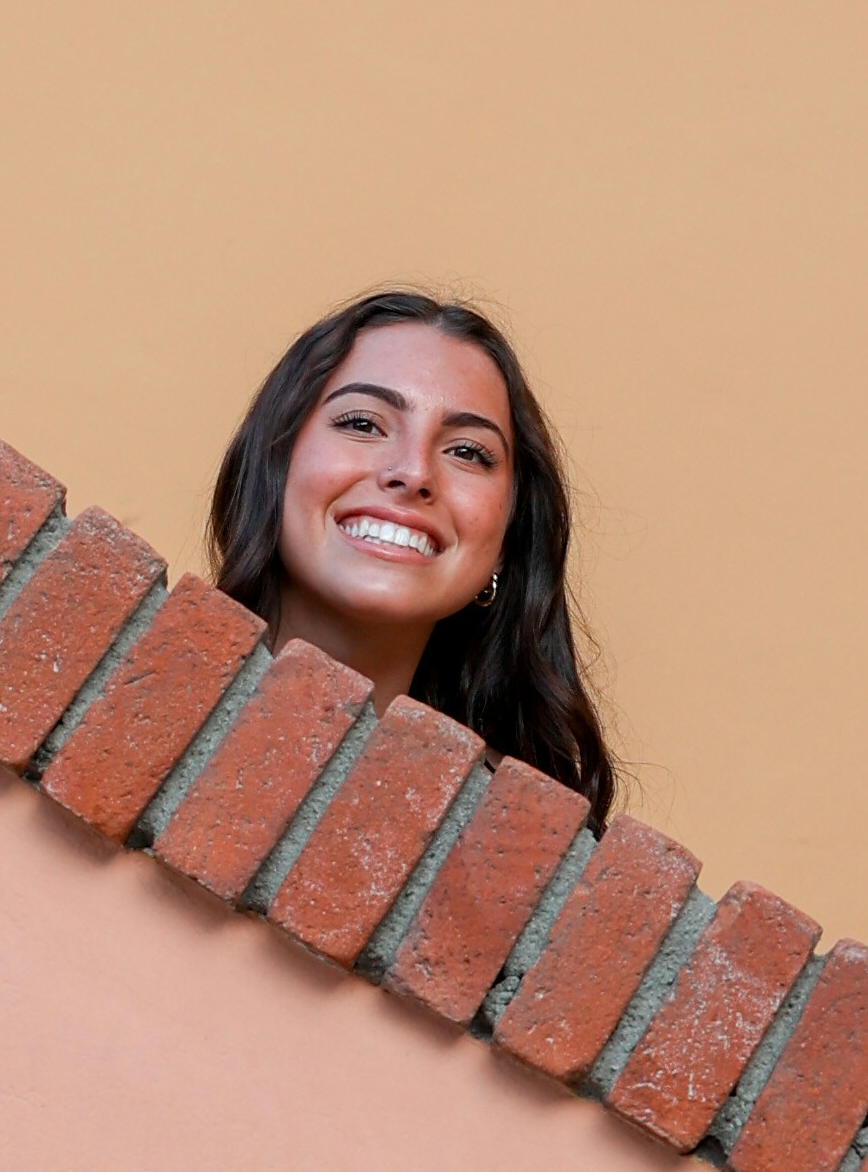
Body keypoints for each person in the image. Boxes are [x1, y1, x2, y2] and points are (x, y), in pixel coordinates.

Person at [207, 291, 616, 816]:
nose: (414, 473)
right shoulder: (137, 698)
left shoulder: (514, 838)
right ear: (272, 467)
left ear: (506, 546)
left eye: (468, 452)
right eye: (362, 423)